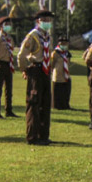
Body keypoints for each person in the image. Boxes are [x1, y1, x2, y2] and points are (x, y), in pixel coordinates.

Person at [18, 10, 55, 145]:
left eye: (49, 20)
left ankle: (43, 135)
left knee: (45, 103)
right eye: (45, 20)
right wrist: (24, 70)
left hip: (45, 71)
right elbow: (22, 55)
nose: (48, 23)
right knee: (34, 103)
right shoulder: (32, 36)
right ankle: (32, 136)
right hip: (36, 70)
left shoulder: (47, 36)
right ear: (38, 21)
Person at [51, 35, 72, 110]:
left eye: (65, 43)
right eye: (62, 43)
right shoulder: (56, 53)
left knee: (66, 91)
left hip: (66, 75)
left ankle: (65, 105)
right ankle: (56, 105)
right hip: (58, 75)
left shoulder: (67, 53)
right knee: (57, 92)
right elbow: (52, 64)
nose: (64, 45)